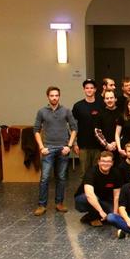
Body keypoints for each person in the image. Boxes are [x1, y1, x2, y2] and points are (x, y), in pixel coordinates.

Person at [34, 85, 78, 215]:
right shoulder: (42, 111)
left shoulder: (66, 111)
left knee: (61, 177)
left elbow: (74, 128)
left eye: (56, 95)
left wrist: (69, 146)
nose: (54, 98)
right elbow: (36, 130)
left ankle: (59, 203)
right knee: (45, 178)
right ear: (48, 97)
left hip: (63, 148)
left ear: (59, 96)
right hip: (48, 148)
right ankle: (42, 205)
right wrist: (41, 147)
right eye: (52, 95)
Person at [74, 151, 122, 226]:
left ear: (112, 163)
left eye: (108, 161)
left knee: (111, 216)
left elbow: (117, 195)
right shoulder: (91, 172)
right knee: (90, 198)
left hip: (104, 200)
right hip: (84, 198)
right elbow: (89, 195)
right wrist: (101, 211)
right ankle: (94, 217)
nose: (106, 164)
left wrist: (115, 213)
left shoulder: (116, 173)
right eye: (103, 161)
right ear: (98, 162)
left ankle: (88, 217)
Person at [72, 78, 102, 181]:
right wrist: (75, 143)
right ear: (84, 90)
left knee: (97, 172)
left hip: (98, 145)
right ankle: (83, 195)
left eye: (91, 88)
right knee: (84, 173)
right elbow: (73, 126)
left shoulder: (101, 104)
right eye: (87, 88)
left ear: (95, 89)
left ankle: (96, 196)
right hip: (83, 145)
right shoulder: (78, 106)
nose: (89, 90)